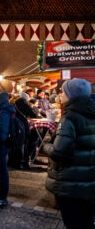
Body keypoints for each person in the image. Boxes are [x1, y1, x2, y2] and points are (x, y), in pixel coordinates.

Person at [43, 78, 95, 228]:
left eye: (63, 91)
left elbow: (59, 151)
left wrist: (46, 145)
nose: (61, 94)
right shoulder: (91, 113)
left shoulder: (70, 118)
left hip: (71, 184)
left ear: (71, 95)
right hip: (90, 181)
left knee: (74, 222)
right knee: (86, 221)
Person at [14, 92, 38, 169]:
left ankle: (15, 161)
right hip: (23, 124)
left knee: (17, 144)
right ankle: (23, 161)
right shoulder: (25, 103)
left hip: (16, 124)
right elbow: (33, 114)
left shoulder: (15, 103)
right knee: (25, 142)